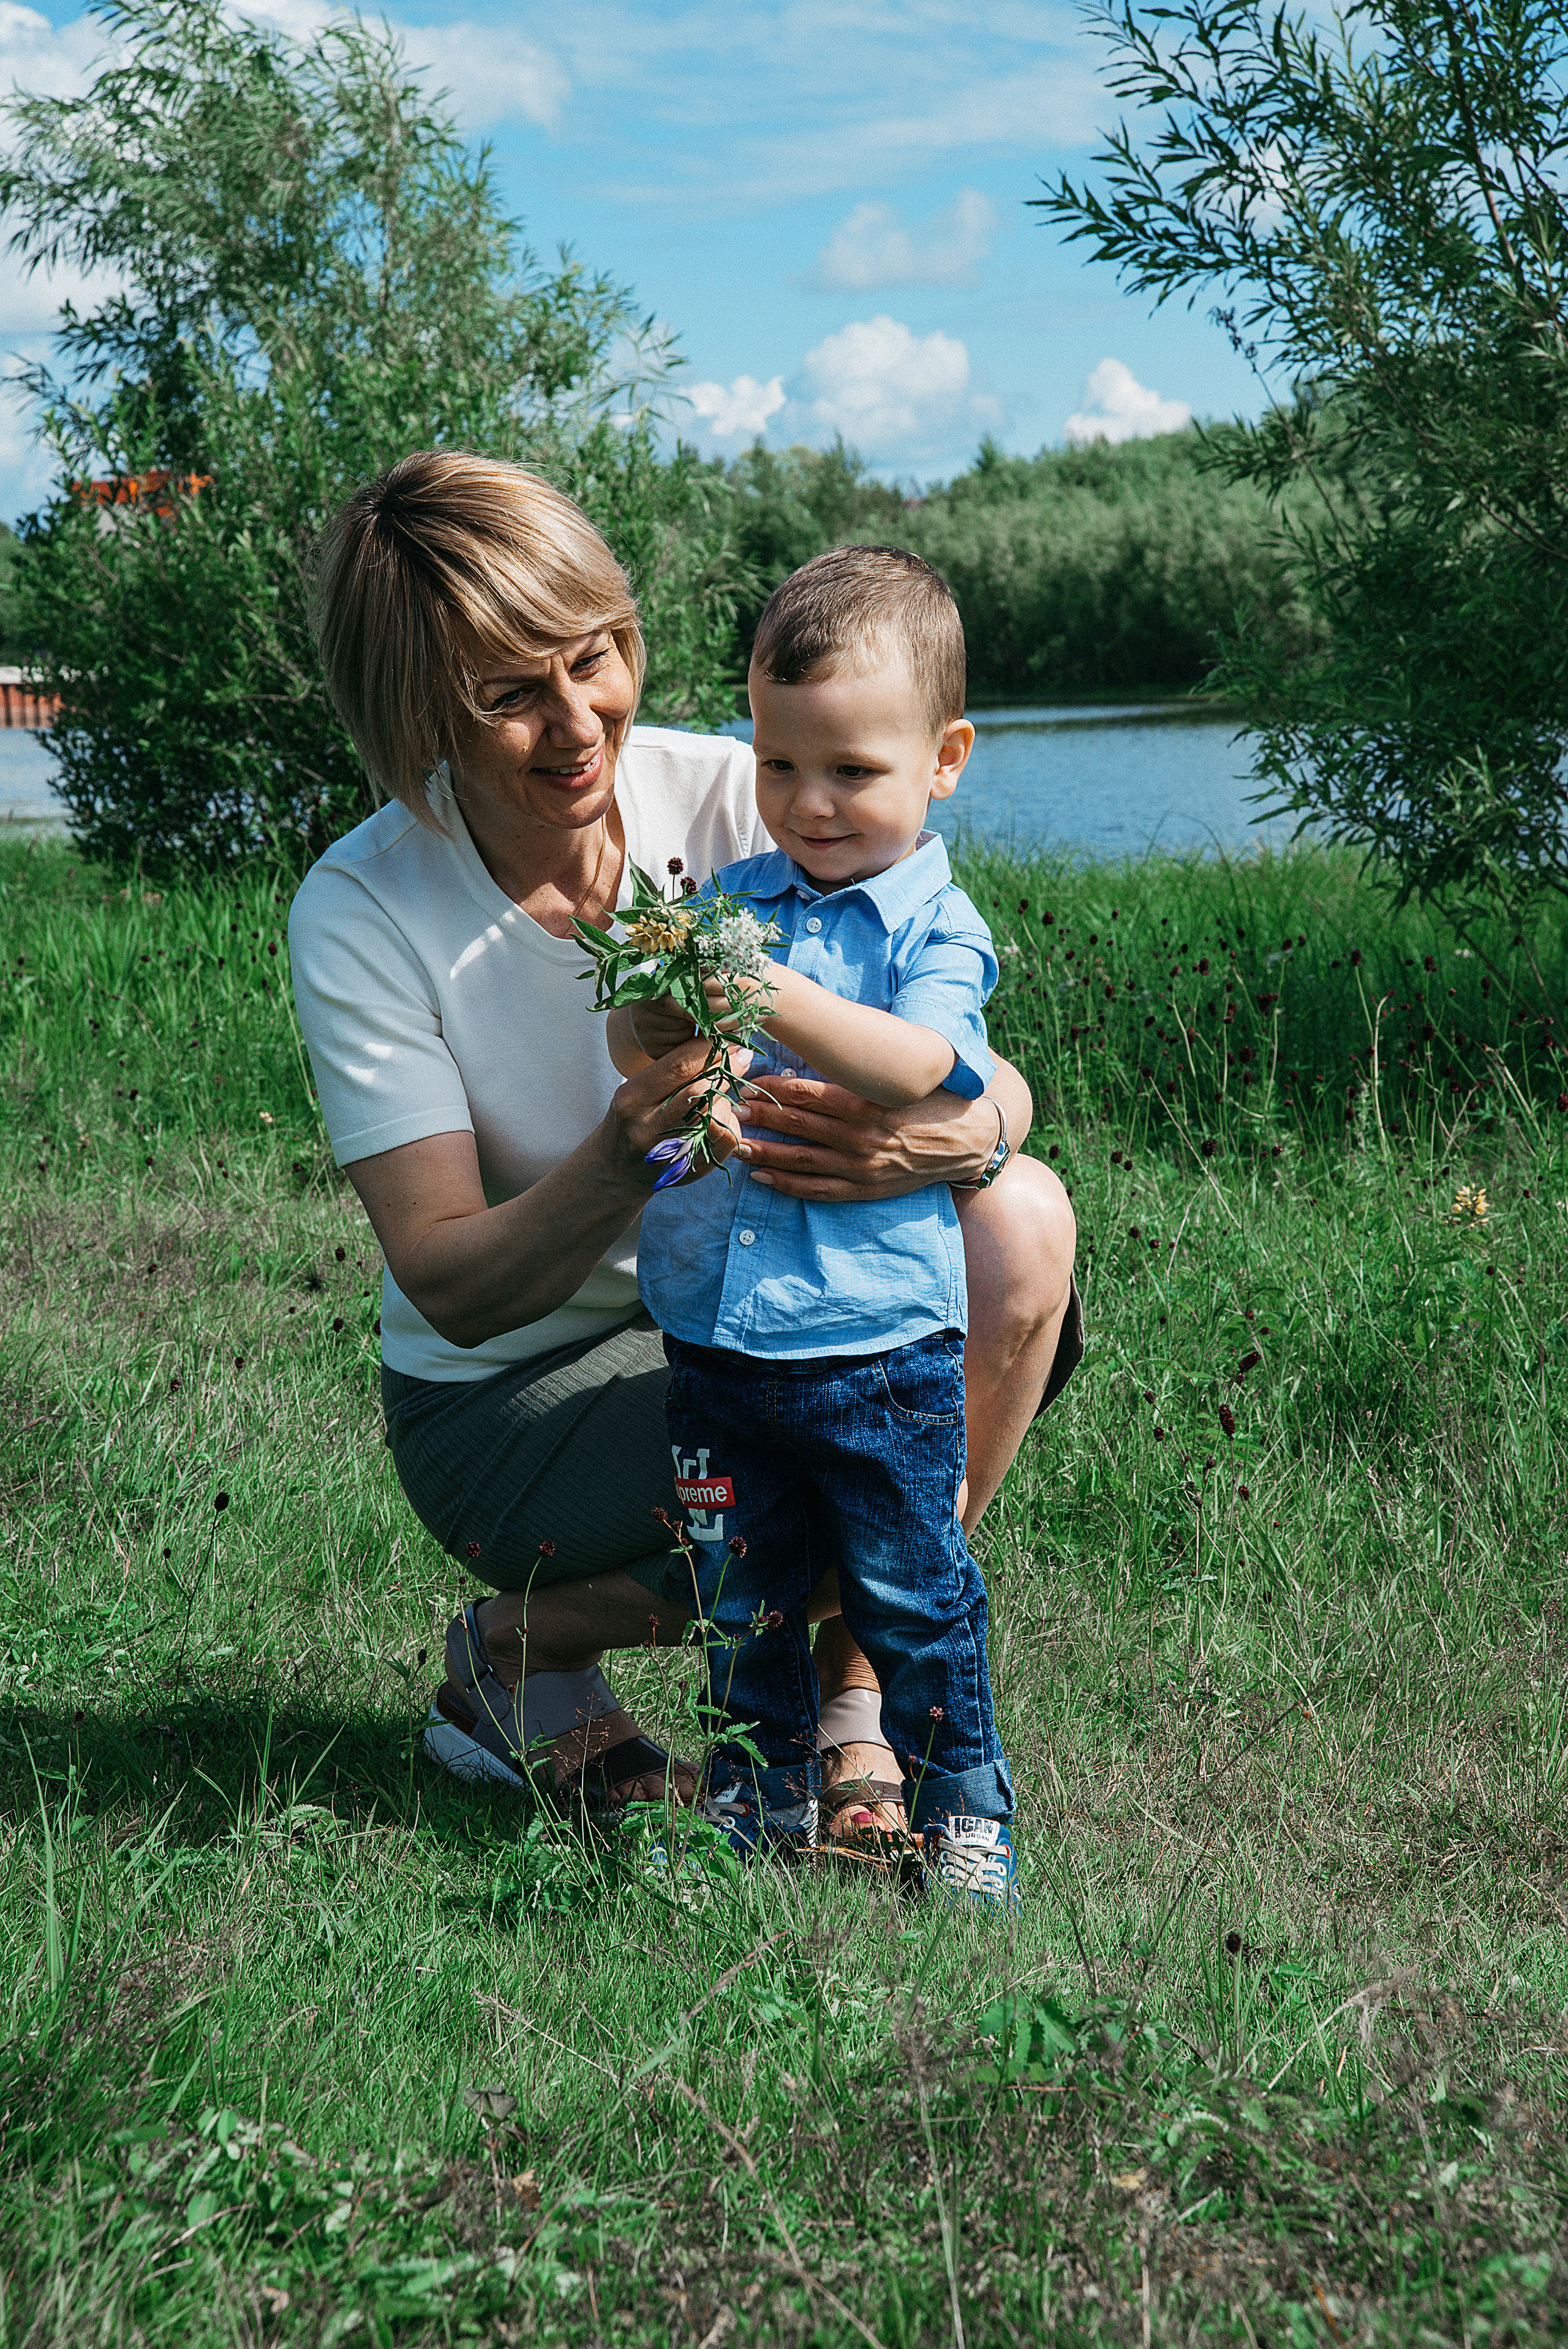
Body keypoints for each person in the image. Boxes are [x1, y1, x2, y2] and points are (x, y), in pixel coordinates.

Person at [287, 450, 1081, 1831]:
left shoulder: (738, 791)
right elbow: (454, 1289)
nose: (578, 721)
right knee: (835, 1451)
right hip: (508, 1403)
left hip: (732, 1316)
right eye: (510, 696)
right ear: (418, 709)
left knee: (1021, 1222)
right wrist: (626, 1151)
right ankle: (519, 1644)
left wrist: (944, 1147)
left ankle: (854, 1705)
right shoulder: (364, 909)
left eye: (593, 658)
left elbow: (984, 1081)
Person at [619, 546, 1017, 1902]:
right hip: (720, 1345)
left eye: (851, 769)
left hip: (879, 1349)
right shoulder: (735, 900)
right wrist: (661, 993)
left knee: (911, 1597)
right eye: (778, 765)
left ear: (942, 757)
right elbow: (637, 1046)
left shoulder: (936, 928)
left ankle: (963, 1809)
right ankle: (758, 1800)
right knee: (739, 1597)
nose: (809, 802)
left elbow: (918, 1064)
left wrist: (754, 986)